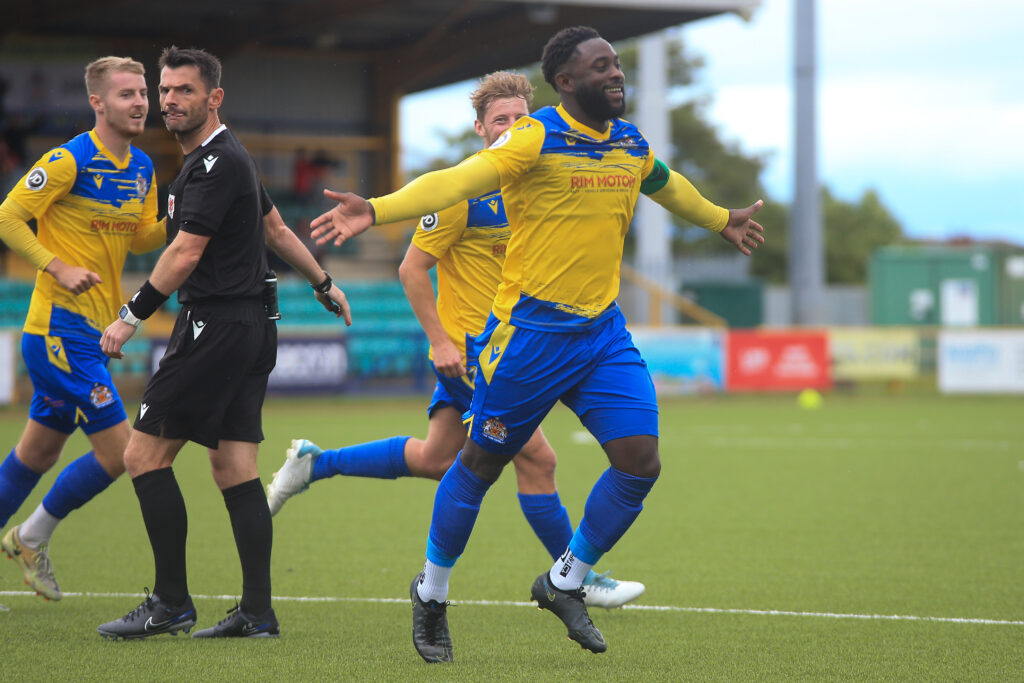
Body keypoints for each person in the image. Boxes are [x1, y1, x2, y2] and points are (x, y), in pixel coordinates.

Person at [310, 26, 765, 662]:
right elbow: (459, 181)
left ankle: (566, 580)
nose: (616, 75)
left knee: (640, 461)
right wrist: (378, 209)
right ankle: (433, 593)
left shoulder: (628, 141)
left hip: (602, 334)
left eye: (617, 65)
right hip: (529, 337)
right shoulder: (535, 136)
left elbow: (667, 183)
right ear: (568, 82)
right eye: (600, 67)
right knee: (478, 464)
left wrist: (721, 219)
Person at [264, 72, 644, 628]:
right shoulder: (466, 191)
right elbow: (412, 269)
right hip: (477, 351)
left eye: (521, 119)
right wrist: (440, 340)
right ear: (479, 129)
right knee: (538, 459)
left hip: (530, 341)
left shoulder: (542, 180)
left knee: (436, 459)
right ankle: (579, 578)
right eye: (500, 121)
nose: (512, 128)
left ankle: (315, 463)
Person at [95, 46, 351, 640]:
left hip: (216, 327)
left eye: (184, 90)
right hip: (252, 325)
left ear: (214, 99)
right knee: (234, 465)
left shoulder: (214, 163)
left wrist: (131, 315)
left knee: (142, 456)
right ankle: (257, 613)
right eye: (164, 90)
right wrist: (323, 282)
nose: (169, 101)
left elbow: (185, 251)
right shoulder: (227, 160)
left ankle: (170, 603)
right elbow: (275, 229)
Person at [0, 56, 164, 602]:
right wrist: (57, 266)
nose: (140, 102)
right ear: (97, 102)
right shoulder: (69, 160)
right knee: (122, 454)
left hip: (92, 331)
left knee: (37, 455)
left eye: (143, 93)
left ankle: (26, 535)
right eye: (126, 95)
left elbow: (140, 238)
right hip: (58, 330)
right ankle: (31, 536)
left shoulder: (142, 166)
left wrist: (183, 217)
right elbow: (7, 215)